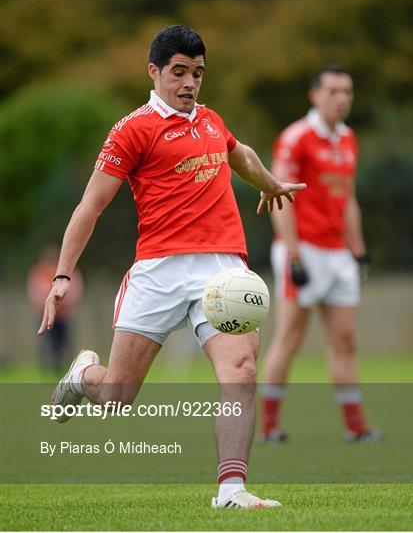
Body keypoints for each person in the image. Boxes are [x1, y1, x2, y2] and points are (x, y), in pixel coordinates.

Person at [38, 25, 306, 508]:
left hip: (222, 271)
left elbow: (238, 153)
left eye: (197, 74)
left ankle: (231, 490)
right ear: (154, 72)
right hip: (157, 272)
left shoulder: (210, 121)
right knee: (116, 401)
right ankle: (83, 377)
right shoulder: (132, 129)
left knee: (241, 370)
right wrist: (61, 275)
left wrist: (268, 182)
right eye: (179, 72)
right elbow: (90, 206)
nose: (189, 83)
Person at [261, 66, 381, 443]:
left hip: (338, 255)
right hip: (304, 251)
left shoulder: (348, 139)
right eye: (332, 91)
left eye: (346, 91)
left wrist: (358, 251)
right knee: (289, 339)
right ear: (315, 95)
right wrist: (294, 257)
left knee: (346, 340)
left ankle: (356, 427)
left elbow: (348, 201)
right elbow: (280, 197)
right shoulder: (296, 137)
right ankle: (268, 426)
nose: (341, 98)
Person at [27, 245, 84, 373]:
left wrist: (64, 303)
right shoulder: (39, 272)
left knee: (66, 343)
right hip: (44, 315)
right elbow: (35, 292)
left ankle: (67, 369)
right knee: (47, 343)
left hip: (65, 315)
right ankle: (47, 369)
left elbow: (76, 291)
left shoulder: (69, 272)